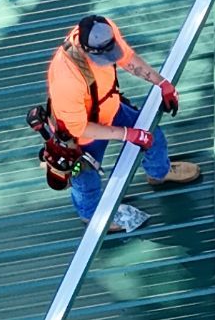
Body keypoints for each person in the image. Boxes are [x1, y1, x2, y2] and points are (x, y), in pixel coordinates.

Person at [47, 14, 201, 234]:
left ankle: (159, 173)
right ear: (85, 49)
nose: (111, 60)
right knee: (85, 180)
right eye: (105, 57)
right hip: (82, 135)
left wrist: (162, 83)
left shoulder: (105, 29)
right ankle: (90, 214)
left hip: (110, 106)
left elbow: (127, 59)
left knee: (153, 136)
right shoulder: (67, 78)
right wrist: (128, 134)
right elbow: (78, 128)